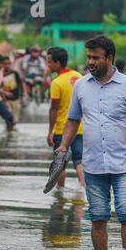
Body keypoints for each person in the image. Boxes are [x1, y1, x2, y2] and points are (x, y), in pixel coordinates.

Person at [54, 36, 126, 250]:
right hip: (93, 164)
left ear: (109, 58)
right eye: (88, 57)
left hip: (124, 164)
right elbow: (73, 119)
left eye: (95, 58)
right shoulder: (80, 86)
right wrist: (63, 146)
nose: (90, 61)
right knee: (98, 217)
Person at [46, 47, 85, 190]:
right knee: (79, 160)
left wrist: (50, 131)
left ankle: (60, 192)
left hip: (62, 129)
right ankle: (83, 188)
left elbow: (54, 109)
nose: (47, 65)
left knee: (60, 163)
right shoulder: (79, 77)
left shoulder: (56, 83)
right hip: (80, 128)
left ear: (57, 64)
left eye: (49, 62)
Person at [2, 56, 23, 126]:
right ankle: (9, 131)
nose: (7, 65)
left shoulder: (14, 73)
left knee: (15, 119)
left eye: (8, 64)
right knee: (8, 118)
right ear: (2, 64)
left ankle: (11, 131)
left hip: (15, 98)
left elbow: (20, 84)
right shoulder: (0, 75)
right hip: (5, 99)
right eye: (5, 64)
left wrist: (22, 94)